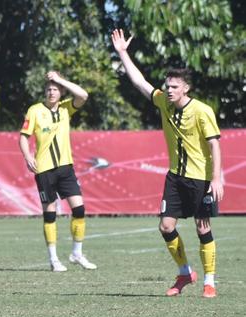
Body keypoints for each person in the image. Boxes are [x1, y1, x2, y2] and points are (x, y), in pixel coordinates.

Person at [111, 29, 223, 298]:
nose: (169, 90)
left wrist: (216, 178)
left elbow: (214, 145)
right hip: (175, 176)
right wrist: (123, 53)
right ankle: (185, 273)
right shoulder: (163, 102)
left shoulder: (202, 111)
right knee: (166, 226)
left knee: (202, 227)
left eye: (174, 87)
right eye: (168, 86)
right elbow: (140, 82)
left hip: (200, 178)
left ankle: (210, 281)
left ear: (186, 88)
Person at [19, 71, 97, 272]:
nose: (51, 92)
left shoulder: (65, 109)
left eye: (55, 89)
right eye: (48, 89)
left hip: (66, 167)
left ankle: (76, 253)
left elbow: (84, 96)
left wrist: (61, 80)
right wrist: (28, 157)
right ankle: (53, 259)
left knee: (79, 209)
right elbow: (23, 136)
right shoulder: (35, 110)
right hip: (44, 169)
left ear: (61, 91)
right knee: (50, 214)